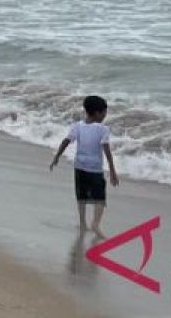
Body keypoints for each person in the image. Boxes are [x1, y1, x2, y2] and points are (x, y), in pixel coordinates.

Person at [50, 95, 120, 236]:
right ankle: (95, 224)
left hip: (79, 166)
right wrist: (112, 170)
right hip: (94, 168)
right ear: (97, 113)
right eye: (104, 112)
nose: (105, 115)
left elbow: (66, 141)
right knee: (100, 197)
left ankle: (82, 222)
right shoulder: (103, 129)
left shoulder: (77, 126)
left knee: (81, 195)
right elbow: (106, 150)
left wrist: (56, 157)